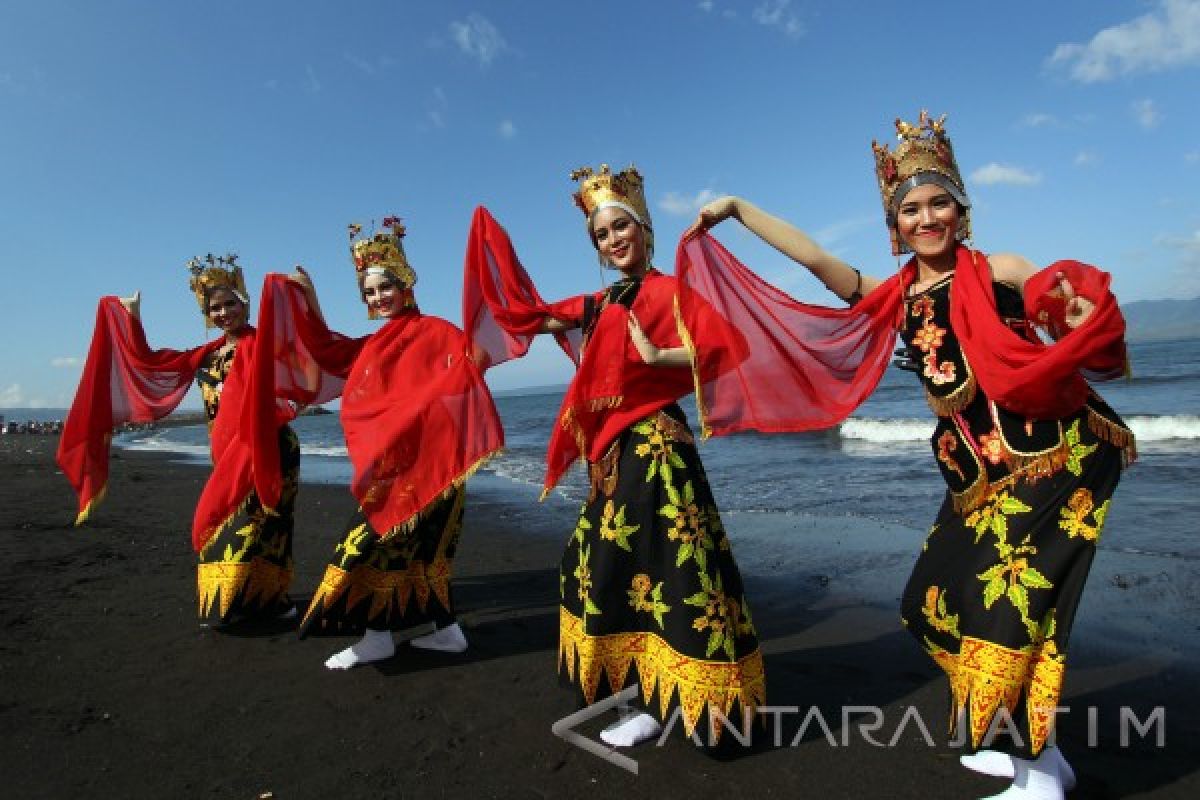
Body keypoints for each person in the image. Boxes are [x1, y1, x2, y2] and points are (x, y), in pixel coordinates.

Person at [689, 111, 1135, 799]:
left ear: (960, 209)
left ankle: (1038, 769)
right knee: (926, 604)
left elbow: (1063, 296)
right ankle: (1017, 742)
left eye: (938, 204)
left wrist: (1074, 310)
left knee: (1008, 613)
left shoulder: (1000, 272)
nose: (926, 218)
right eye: (910, 209)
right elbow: (813, 259)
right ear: (893, 225)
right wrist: (741, 209)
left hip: (1053, 457)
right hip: (974, 478)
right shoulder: (893, 299)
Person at [462, 166, 765, 749]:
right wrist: (492, 256)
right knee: (605, 570)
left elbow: (726, 349)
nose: (613, 239)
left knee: (672, 573)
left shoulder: (670, 291)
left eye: (621, 225)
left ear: (643, 227)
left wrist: (656, 352)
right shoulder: (598, 303)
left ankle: (692, 698)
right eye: (602, 234)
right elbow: (527, 316)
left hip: (660, 453)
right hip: (614, 456)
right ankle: (649, 697)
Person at [267, 217, 503, 669]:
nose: (377, 298)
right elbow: (329, 349)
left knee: (385, 545)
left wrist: (421, 419)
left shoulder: (439, 333)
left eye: (384, 288)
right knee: (404, 551)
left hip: (433, 470)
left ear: (405, 283)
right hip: (397, 470)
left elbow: (466, 376)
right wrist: (309, 299)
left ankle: (385, 637)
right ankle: (437, 632)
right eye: (369, 292)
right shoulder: (374, 344)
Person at [58, 254, 302, 627]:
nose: (223, 313)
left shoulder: (266, 345)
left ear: (245, 302)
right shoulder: (207, 355)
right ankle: (241, 598)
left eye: (230, 304)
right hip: (226, 454)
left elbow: (306, 356)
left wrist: (303, 295)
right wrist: (130, 317)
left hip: (270, 449)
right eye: (215, 308)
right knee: (237, 522)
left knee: (268, 526)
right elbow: (150, 363)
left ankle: (270, 599)